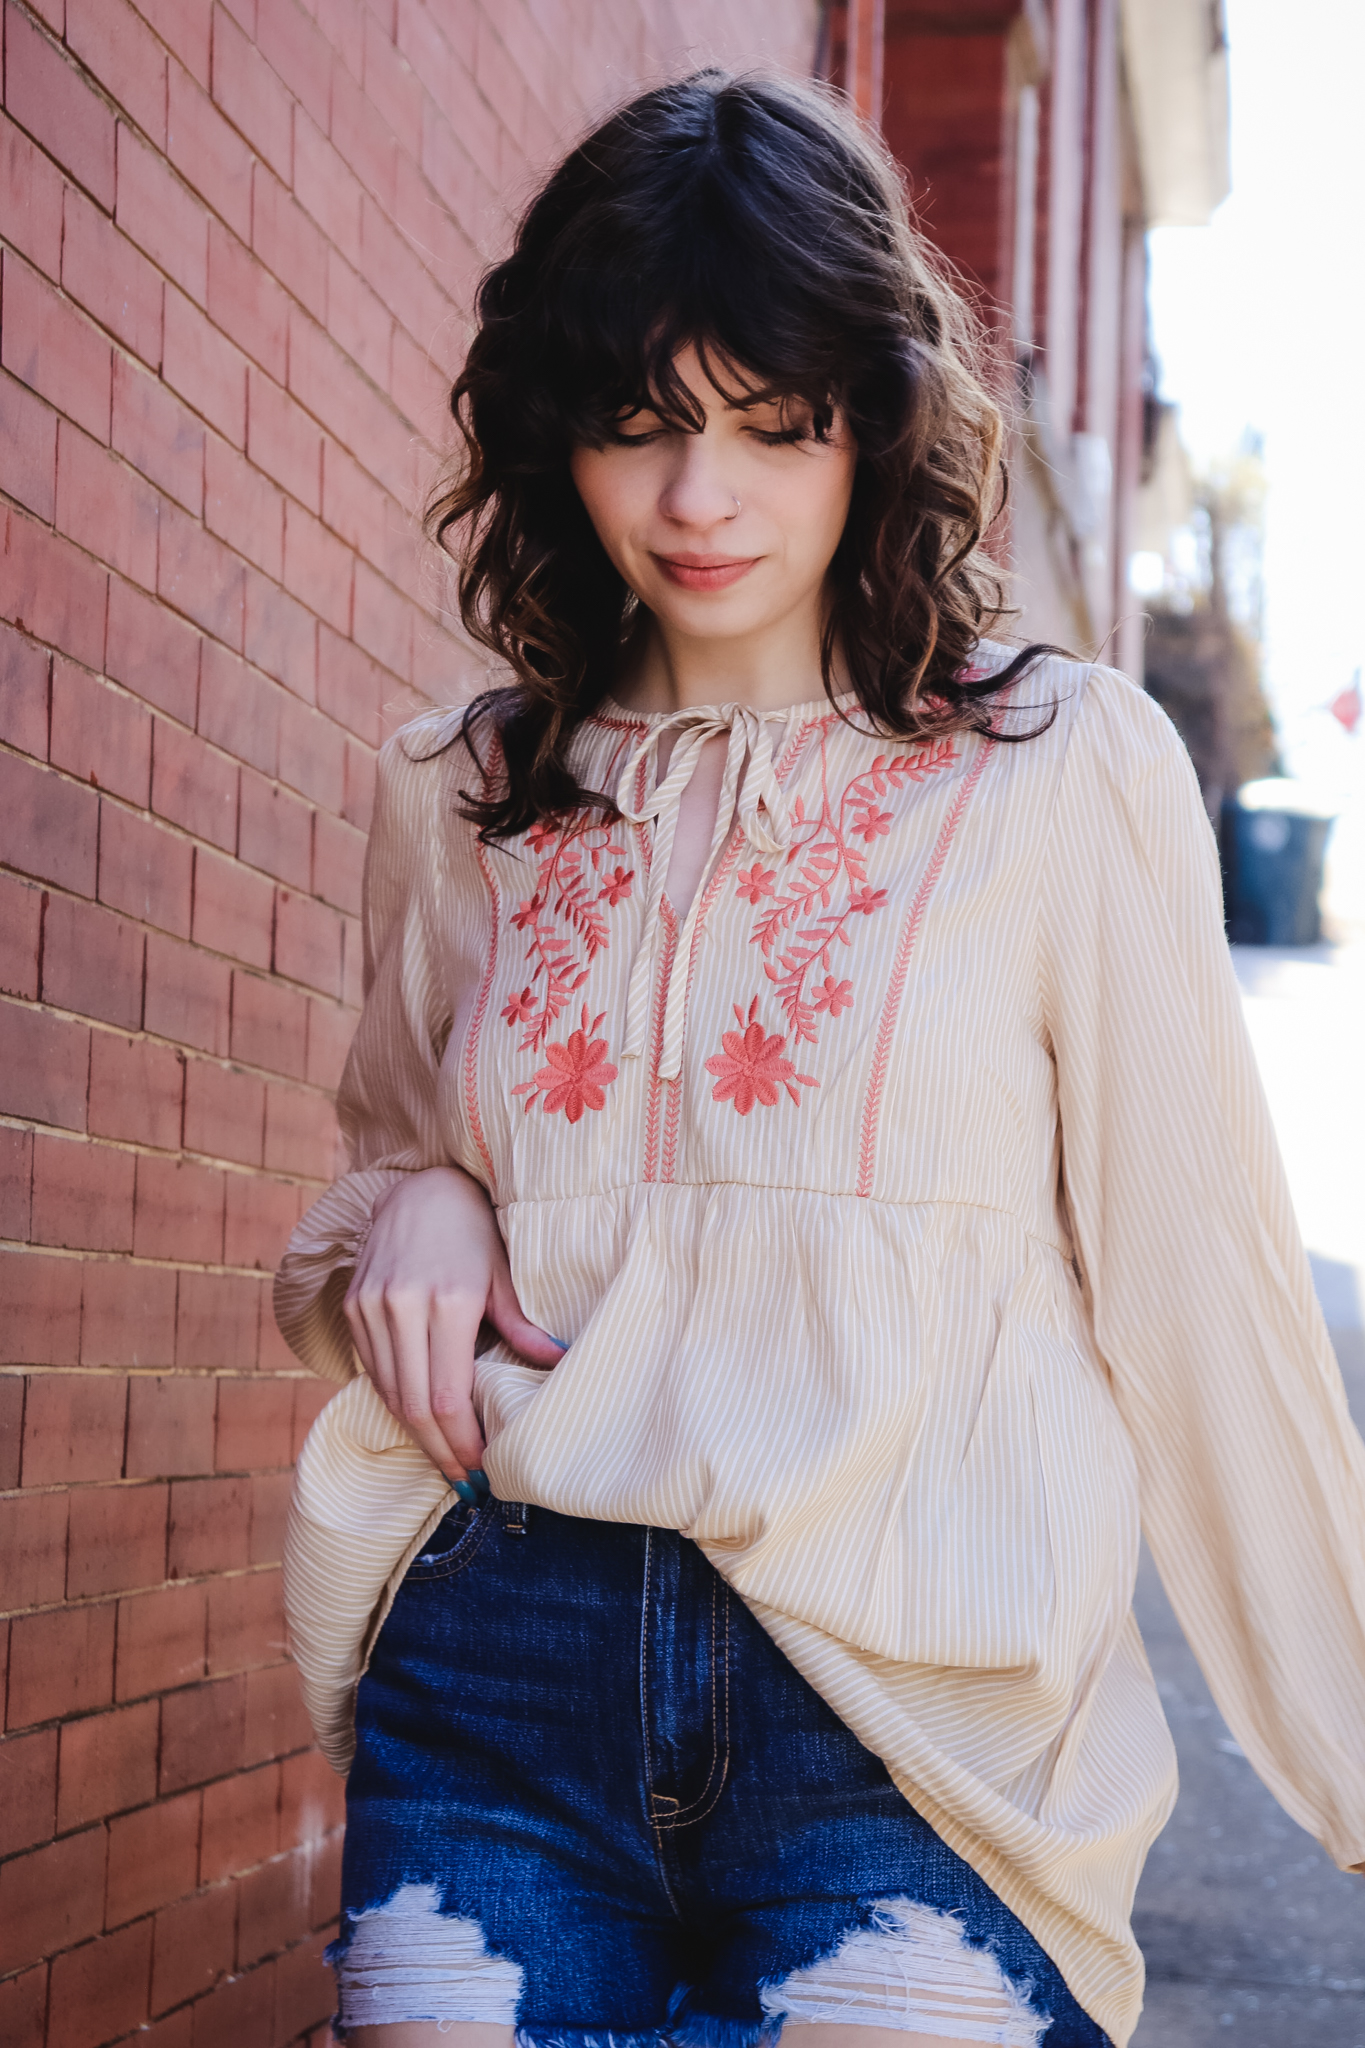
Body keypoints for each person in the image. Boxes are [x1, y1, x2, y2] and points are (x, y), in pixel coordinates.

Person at [273, 69, 1365, 2048]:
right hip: (501, 1684)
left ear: (870, 417)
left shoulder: (1060, 770)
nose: (699, 502)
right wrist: (413, 1199)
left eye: (770, 425)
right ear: (556, 435)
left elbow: (1201, 1288)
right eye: (638, 426)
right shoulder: (458, 791)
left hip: (915, 1732)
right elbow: (378, 1200)